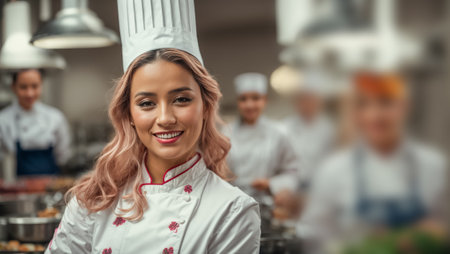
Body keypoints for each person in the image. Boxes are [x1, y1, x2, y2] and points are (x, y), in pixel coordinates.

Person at [46, 1, 260, 253]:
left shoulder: (232, 212)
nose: (165, 118)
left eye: (181, 99)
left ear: (205, 106)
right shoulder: (93, 200)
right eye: (147, 103)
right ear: (130, 115)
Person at [299, 72, 447, 253]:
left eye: (385, 102)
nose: (374, 115)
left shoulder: (433, 166)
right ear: (355, 113)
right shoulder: (333, 171)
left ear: (404, 106)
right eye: (363, 104)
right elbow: (314, 240)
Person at [226, 72, 298, 196]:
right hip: (233, 204)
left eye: (255, 98)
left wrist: (271, 184)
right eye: (243, 99)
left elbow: (293, 172)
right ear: (238, 102)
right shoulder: (225, 133)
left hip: (267, 207)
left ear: (265, 100)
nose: (249, 105)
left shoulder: (279, 132)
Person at [0, 69, 71, 175]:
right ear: (13, 87)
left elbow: (63, 156)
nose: (30, 93)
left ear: (41, 86)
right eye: (23, 87)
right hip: (16, 188)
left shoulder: (55, 117)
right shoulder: (3, 120)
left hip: (51, 186)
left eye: (35, 86)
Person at [280, 70, 335, 191]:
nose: (307, 104)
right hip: (291, 188)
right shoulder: (285, 127)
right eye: (303, 99)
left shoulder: (329, 129)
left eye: (311, 99)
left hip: (321, 188)